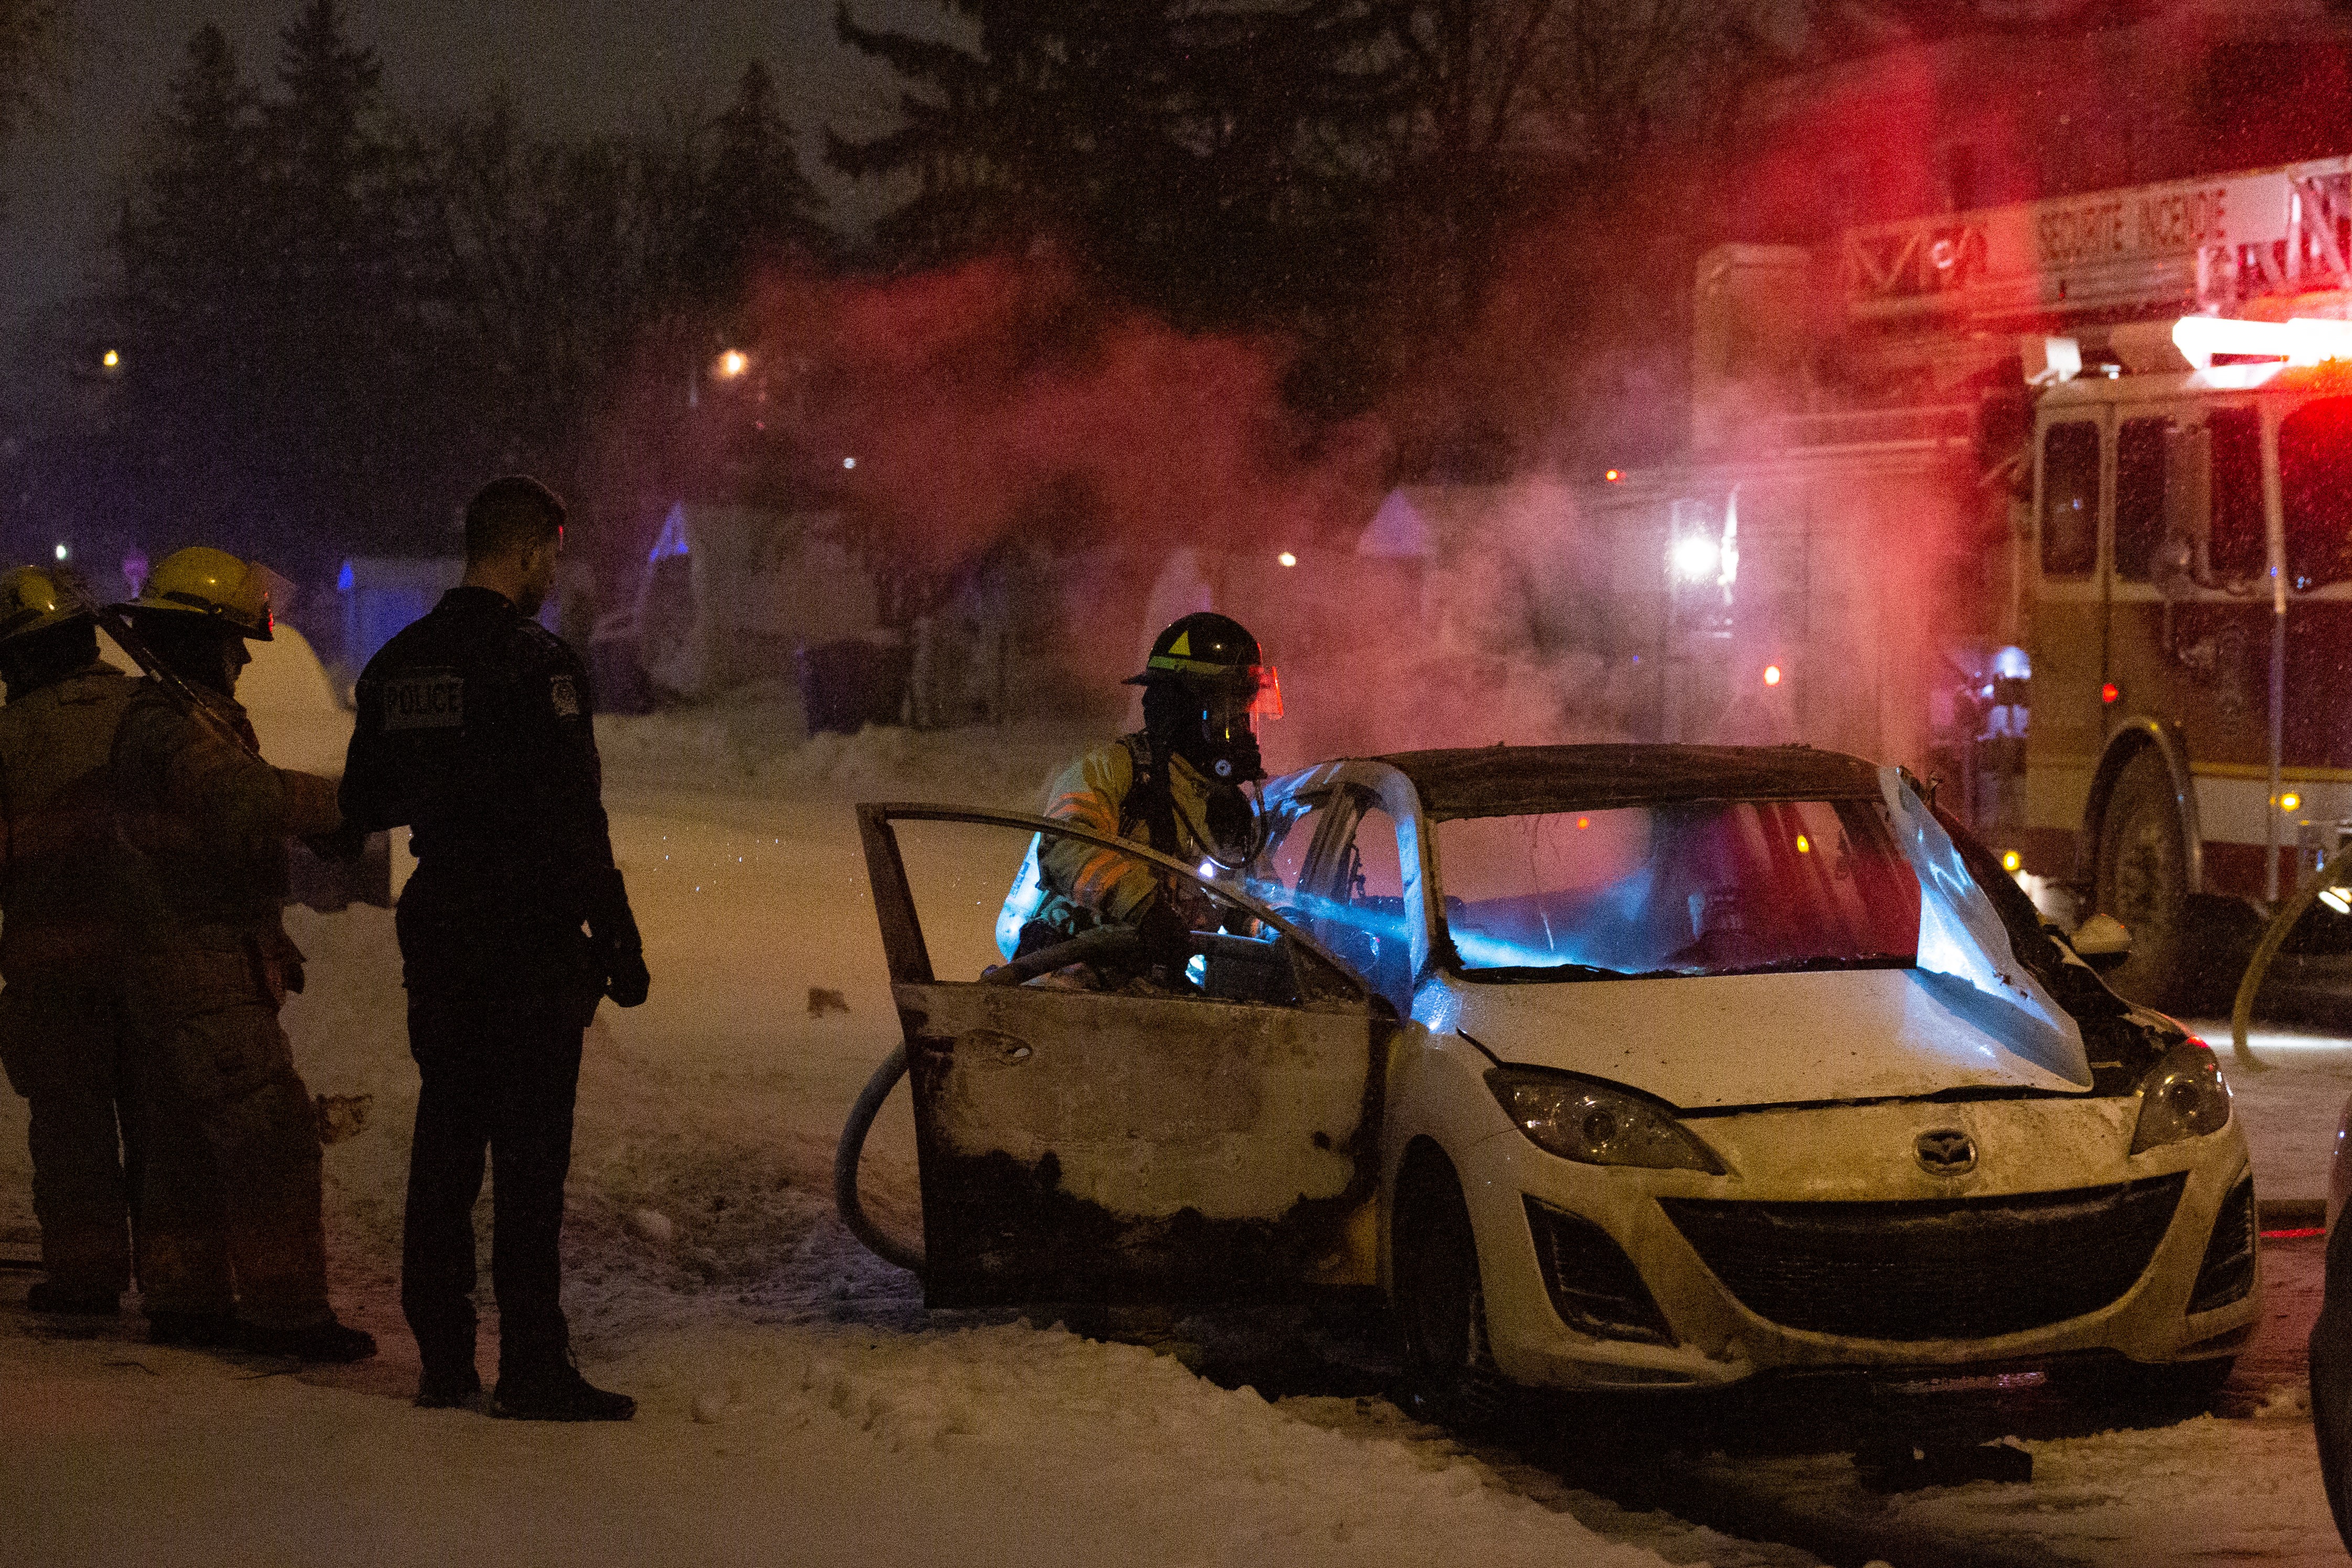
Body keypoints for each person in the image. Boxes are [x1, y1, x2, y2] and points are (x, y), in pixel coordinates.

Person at [339, 475, 649, 1420]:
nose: (553, 571)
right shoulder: (537, 662)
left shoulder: (399, 664)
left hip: (441, 926)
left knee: (447, 1133)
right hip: (527, 935)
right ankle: (531, 1366)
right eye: (551, 554)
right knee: (528, 1157)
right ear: (525, 551)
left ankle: (441, 1355)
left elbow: (365, 806)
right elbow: (573, 816)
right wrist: (620, 935)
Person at [109, 546, 375, 1360]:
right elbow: (240, 799)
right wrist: (351, 800)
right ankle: (287, 1315)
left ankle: (187, 1300)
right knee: (271, 1137)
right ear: (197, 639)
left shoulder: (182, 714)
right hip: (200, 967)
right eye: (232, 643)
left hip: (176, 964)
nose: (240, 660)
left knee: (186, 1144)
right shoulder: (168, 723)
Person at [0, 567, 148, 1315]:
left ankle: (86, 1283)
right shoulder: (146, 710)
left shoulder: (10, 734)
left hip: (54, 969)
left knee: (72, 1130)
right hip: (157, 963)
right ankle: (186, 1285)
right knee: (164, 1126)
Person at [1004, 612, 1279, 980]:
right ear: (1181, 709)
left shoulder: (1231, 810)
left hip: (1151, 987)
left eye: (1247, 714)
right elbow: (1066, 847)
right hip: (1067, 966)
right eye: (1231, 713)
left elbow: (1258, 904)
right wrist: (1146, 907)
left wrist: (1284, 933)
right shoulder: (1113, 770)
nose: (1242, 729)